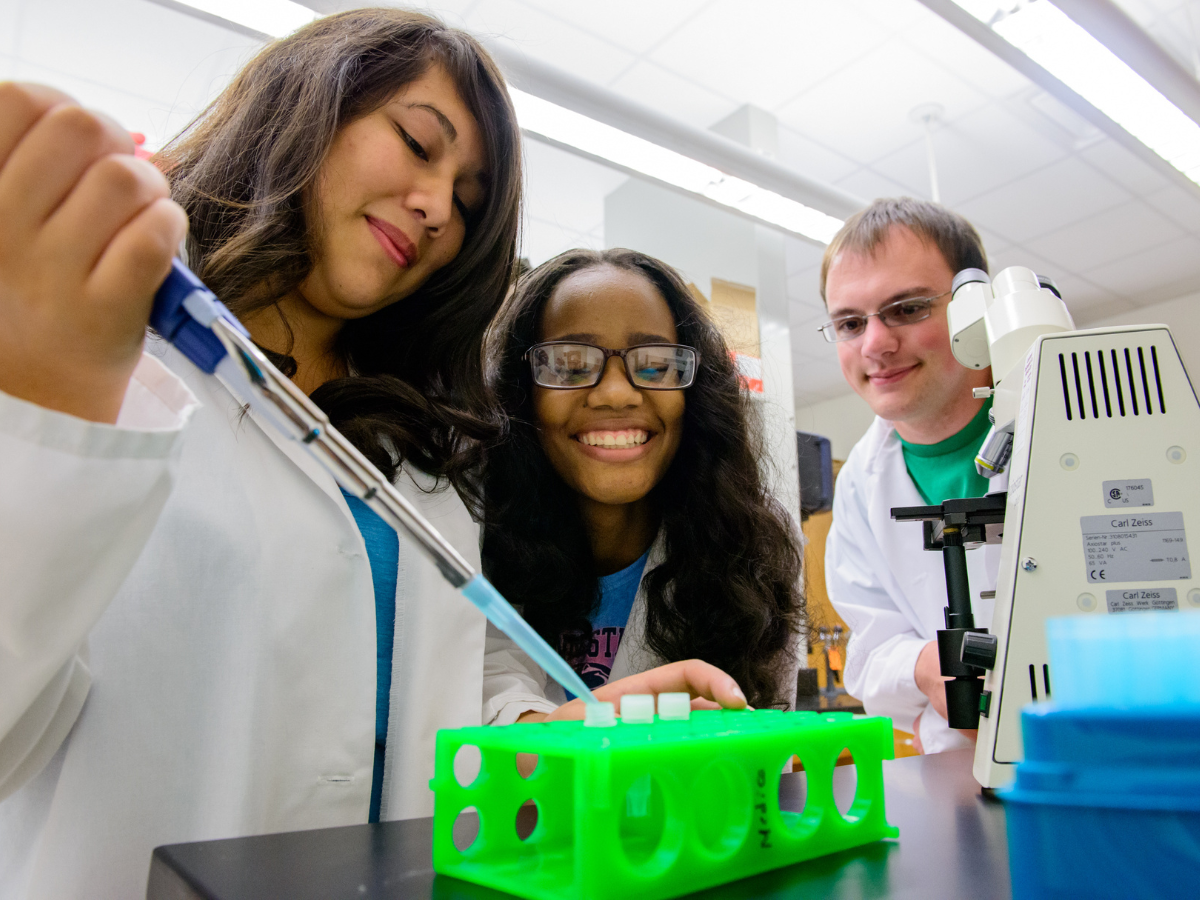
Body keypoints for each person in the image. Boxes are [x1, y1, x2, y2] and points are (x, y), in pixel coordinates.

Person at [0, 13, 745, 898]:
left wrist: (553, 733)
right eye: (417, 142)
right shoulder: (100, 346)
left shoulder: (427, 447)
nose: (437, 209)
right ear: (308, 105)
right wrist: (50, 398)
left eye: (467, 204)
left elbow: (455, 681)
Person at [480, 248, 806, 716]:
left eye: (656, 365)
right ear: (521, 393)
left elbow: (757, 751)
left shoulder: (753, 547)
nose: (616, 393)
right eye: (569, 365)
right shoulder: (475, 532)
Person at [820, 198, 1003, 756]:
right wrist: (925, 666)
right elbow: (871, 656)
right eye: (851, 323)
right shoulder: (858, 485)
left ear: (975, 307)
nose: (875, 344)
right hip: (962, 781)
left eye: (906, 309)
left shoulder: (1083, 422)